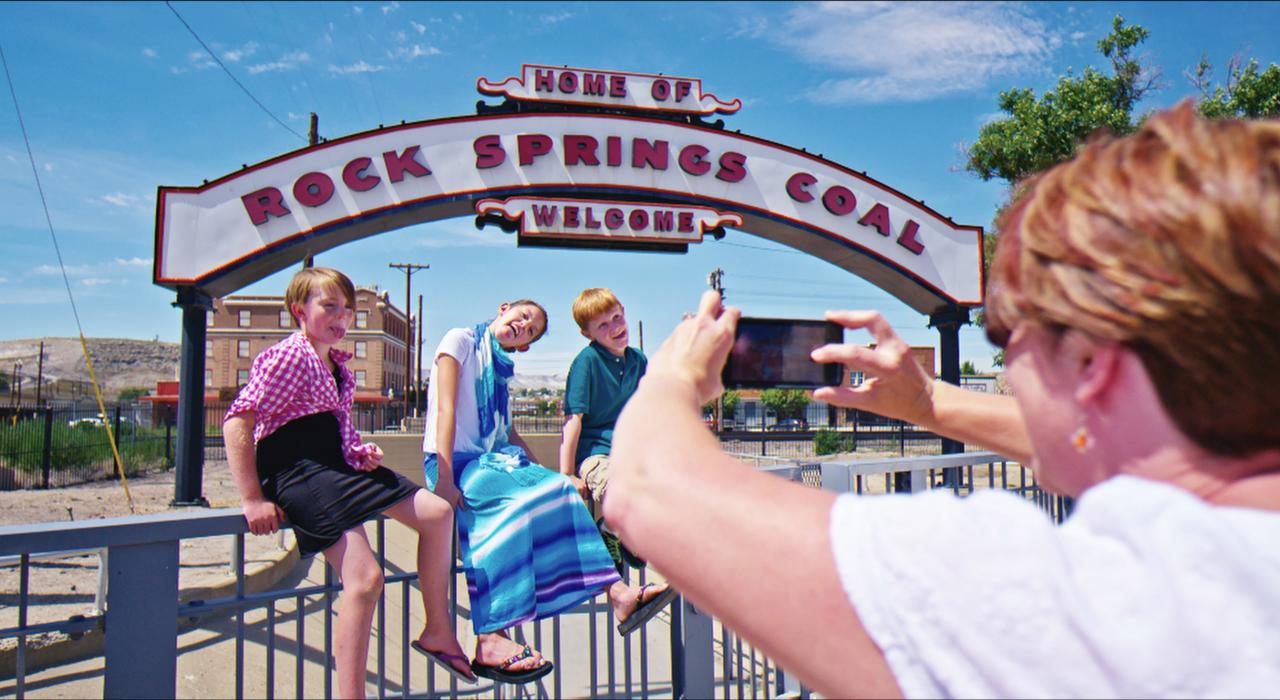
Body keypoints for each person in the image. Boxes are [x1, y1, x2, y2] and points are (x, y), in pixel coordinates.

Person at [603, 102, 1280, 698]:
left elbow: (647, 489)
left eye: (1009, 334)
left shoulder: (1090, 607)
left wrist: (673, 377)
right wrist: (931, 405)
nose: (1007, 364)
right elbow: (1137, 437)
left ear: (1092, 363)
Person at [223, 267, 474, 699]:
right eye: (330, 306)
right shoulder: (288, 355)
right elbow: (237, 422)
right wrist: (252, 498)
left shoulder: (338, 365)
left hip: (335, 464)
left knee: (437, 512)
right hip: (298, 468)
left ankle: (437, 630)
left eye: (348, 309)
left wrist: (361, 451)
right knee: (366, 577)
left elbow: (334, 429)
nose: (342, 317)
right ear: (298, 310)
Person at [422, 298, 677, 683]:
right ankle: (490, 636)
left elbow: (506, 433)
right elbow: (445, 409)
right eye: (522, 318)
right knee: (505, 513)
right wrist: (443, 478)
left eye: (530, 331)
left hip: (493, 462)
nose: (522, 327)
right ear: (503, 308)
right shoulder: (460, 341)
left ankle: (619, 593)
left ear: (524, 347)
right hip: (455, 463)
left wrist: (548, 477)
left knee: (560, 490)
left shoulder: (502, 372)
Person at [558, 288, 655, 573]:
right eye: (603, 325)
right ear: (587, 334)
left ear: (623, 311)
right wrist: (567, 473)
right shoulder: (586, 363)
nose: (614, 327)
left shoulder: (638, 361)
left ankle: (620, 531)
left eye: (616, 318)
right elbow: (573, 419)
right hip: (596, 453)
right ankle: (613, 532)